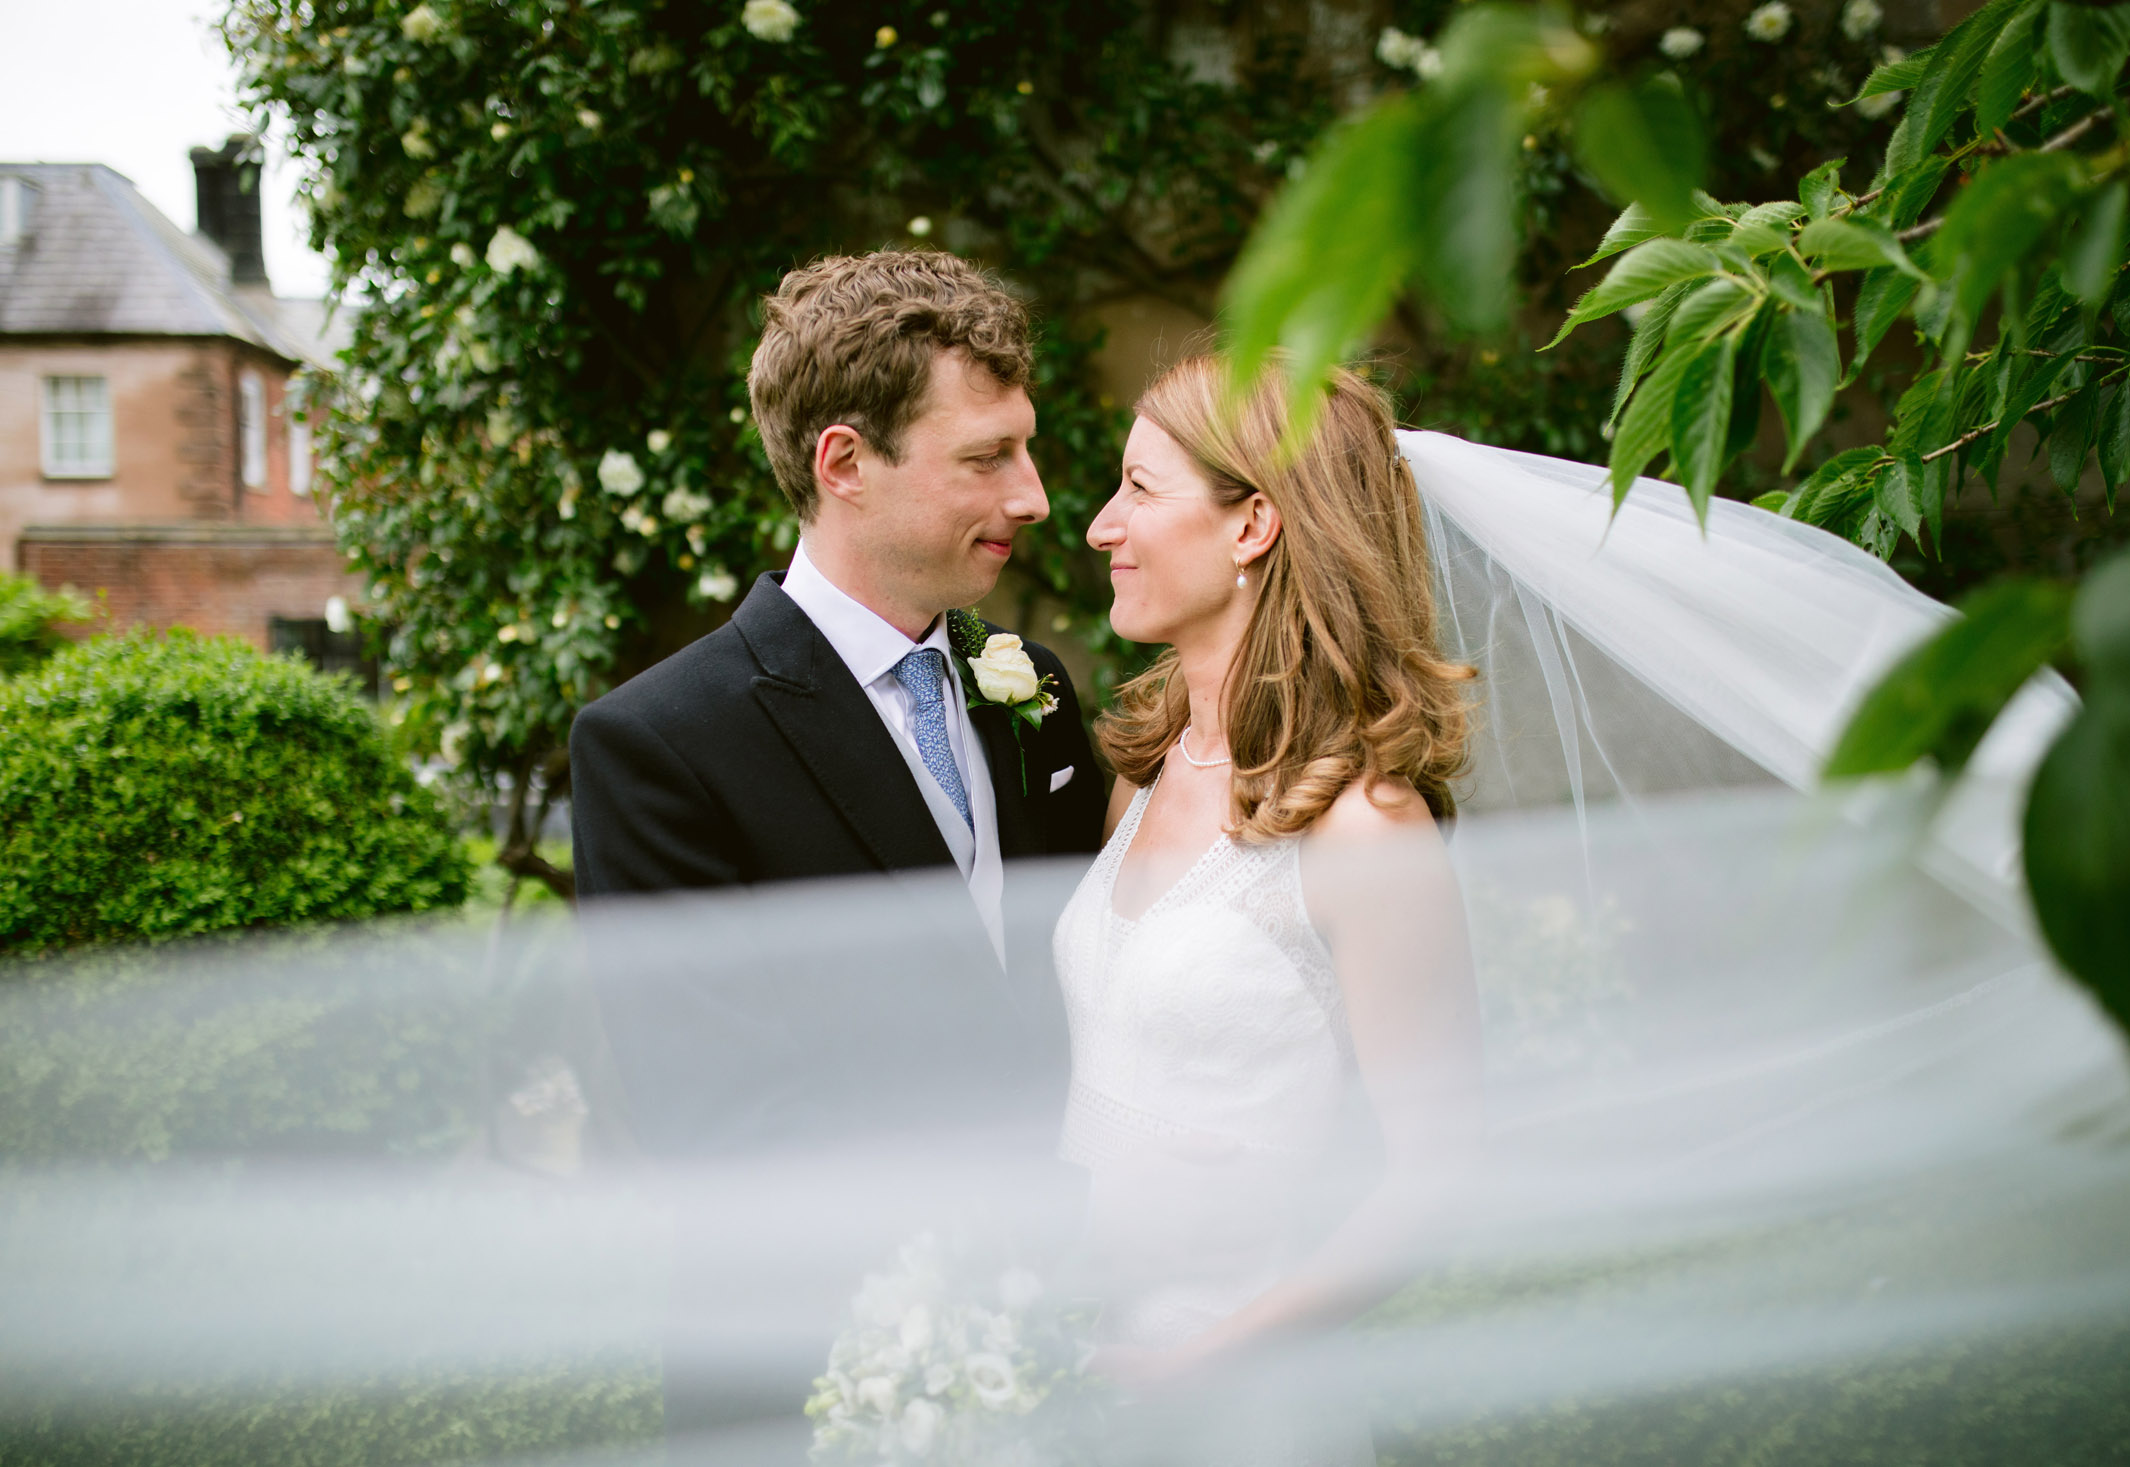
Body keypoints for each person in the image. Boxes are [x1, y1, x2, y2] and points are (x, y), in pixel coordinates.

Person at [1055, 354, 1484, 1427]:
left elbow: (1438, 1177)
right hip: (1078, 1374)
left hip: (1244, 1394)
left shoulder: (1364, 827)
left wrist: (1211, 1355)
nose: (1103, 527)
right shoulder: (1145, 774)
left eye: (1139, 491)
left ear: (1252, 526)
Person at [567, 251, 1108, 963]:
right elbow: (696, 1066)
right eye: (987, 457)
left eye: (1025, 449)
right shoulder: (657, 749)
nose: (1032, 499)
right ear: (845, 464)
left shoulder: (1035, 685)